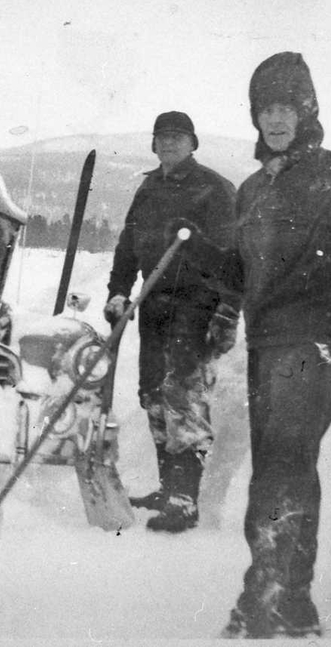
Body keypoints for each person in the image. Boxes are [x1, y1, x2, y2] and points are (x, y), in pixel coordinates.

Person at [179, 52, 331, 638]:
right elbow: (247, 277)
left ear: (307, 111)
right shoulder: (251, 190)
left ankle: (263, 598)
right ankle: (294, 601)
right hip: (266, 349)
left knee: (281, 474)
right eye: (264, 108)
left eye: (285, 106)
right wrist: (208, 264)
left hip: (314, 346)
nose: (274, 119)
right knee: (285, 470)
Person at [103, 111, 239, 533]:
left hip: (197, 303)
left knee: (184, 394)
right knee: (154, 394)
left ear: (193, 143)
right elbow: (128, 244)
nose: (169, 144)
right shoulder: (149, 188)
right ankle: (168, 487)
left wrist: (227, 311)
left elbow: (237, 257)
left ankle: (185, 498)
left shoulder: (214, 189)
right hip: (153, 302)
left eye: (178, 137)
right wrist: (117, 289)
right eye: (162, 137)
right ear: (153, 144)